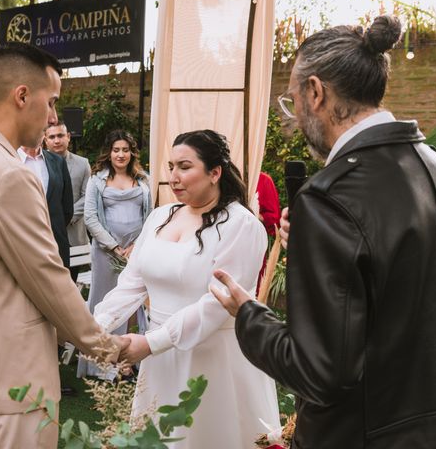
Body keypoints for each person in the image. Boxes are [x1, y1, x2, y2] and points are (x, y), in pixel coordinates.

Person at [211, 15, 436, 448]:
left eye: (291, 99)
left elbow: (320, 373)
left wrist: (249, 316)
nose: (293, 114)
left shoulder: (331, 196)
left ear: (316, 92)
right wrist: (325, 250)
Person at [0, 42, 128, 448]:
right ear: (23, 95)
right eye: (52, 101)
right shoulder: (9, 174)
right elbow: (48, 277)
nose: (54, 116)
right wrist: (106, 347)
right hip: (13, 385)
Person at [94, 130, 281, 448]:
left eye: (184, 166)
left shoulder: (241, 225)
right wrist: (95, 328)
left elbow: (215, 303)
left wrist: (151, 343)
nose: (173, 177)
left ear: (215, 172)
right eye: (170, 167)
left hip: (215, 357)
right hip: (159, 357)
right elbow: (131, 283)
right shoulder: (159, 217)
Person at [78, 129, 151, 379]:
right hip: (106, 252)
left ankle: (130, 361)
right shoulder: (97, 180)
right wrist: (114, 246)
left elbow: (150, 217)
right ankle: (99, 364)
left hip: (136, 251)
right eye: (116, 150)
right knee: (104, 303)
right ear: (109, 153)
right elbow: (90, 217)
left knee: (135, 303)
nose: (121, 154)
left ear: (132, 153)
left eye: (125, 150)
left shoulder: (143, 180)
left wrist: (136, 246)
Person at [18, 128, 73, 268]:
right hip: (22, 242)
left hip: (56, 241)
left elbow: (67, 207)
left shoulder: (58, 161)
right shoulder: (9, 160)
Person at [44, 122, 91, 281]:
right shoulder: (39, 164)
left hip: (74, 234)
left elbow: (88, 196)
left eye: (60, 135)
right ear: (45, 140)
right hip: (46, 234)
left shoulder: (83, 163)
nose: (57, 140)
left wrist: (66, 216)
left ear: (68, 137)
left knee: (71, 282)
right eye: (52, 137)